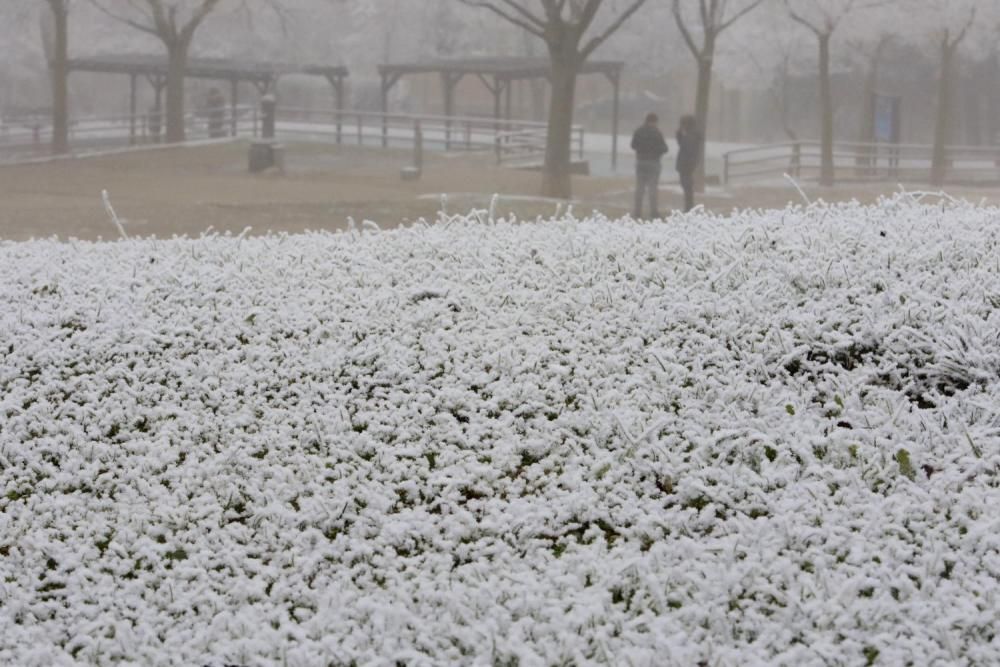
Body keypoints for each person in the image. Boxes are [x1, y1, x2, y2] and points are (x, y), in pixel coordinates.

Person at [630, 112, 669, 219]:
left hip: (641, 162)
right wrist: (656, 151)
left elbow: (633, 145)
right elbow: (665, 148)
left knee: (639, 188)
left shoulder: (638, 131)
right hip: (653, 162)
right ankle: (654, 212)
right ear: (655, 121)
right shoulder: (657, 133)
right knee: (652, 189)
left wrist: (641, 150)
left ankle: (637, 212)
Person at [676, 115, 703, 213]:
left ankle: (689, 207)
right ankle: (689, 206)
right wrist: (680, 134)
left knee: (687, 186)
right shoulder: (691, 134)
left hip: (686, 165)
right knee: (687, 186)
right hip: (688, 164)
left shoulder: (691, 135)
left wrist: (681, 135)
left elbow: (686, 147)